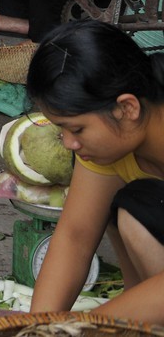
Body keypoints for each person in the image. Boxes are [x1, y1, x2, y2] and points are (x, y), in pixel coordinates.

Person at [26, 20, 164, 322]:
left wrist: (82, 327)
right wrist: (37, 328)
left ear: (127, 109)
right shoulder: (107, 147)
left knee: (139, 212)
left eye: (76, 129)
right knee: (132, 207)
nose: (69, 143)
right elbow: (75, 236)